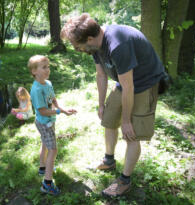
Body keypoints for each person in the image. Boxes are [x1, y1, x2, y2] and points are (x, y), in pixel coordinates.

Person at [61, 13, 166, 197]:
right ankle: (109, 161)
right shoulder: (94, 47)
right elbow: (101, 75)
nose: (78, 50)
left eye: (78, 47)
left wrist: (126, 120)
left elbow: (129, 86)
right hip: (124, 82)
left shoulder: (118, 44)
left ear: (90, 38)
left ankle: (124, 181)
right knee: (108, 120)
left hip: (145, 83)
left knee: (131, 133)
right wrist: (101, 104)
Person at [28, 55, 77, 195]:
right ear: (34, 71)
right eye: (44, 67)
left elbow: (53, 99)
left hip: (49, 121)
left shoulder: (47, 83)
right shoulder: (36, 90)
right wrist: (56, 111)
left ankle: (43, 167)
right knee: (53, 150)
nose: (47, 69)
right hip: (44, 123)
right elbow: (42, 111)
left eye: (48, 66)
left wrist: (63, 110)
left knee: (45, 144)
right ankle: (47, 183)